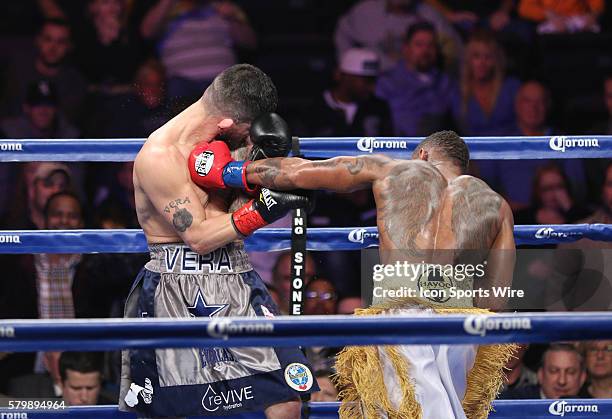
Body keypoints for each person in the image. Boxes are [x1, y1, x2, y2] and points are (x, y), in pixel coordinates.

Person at [191, 129, 517, 418]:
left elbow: (305, 172)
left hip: (403, 312)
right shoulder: (497, 205)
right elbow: (496, 300)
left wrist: (234, 171)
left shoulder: (395, 169)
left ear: (423, 154)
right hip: (460, 324)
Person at [119, 63, 318, 418]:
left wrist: (263, 174)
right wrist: (265, 208)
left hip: (237, 279)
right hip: (178, 289)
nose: (248, 137)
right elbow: (197, 236)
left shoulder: (227, 144)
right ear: (227, 121)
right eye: (245, 130)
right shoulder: (159, 156)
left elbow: (232, 215)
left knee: (286, 402)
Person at [376, 22, 457, 136]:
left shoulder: (445, 83)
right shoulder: (387, 82)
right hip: (397, 149)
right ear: (406, 48)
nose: (425, 51)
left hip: (436, 150)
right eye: (419, 44)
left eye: (431, 45)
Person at [307, 48, 393, 137]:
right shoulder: (312, 109)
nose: (371, 87)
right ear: (340, 75)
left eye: (373, 81)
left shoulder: (378, 109)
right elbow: (298, 147)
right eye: (366, 81)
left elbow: (389, 146)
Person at [451, 31, 520, 137]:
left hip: (509, 150)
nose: (482, 63)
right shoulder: (457, 92)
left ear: (496, 60)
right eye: (476, 56)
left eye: (488, 57)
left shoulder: (511, 88)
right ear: (468, 60)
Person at [501, 343, 586, 399]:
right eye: (553, 371)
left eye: (570, 372)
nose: (562, 381)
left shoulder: (593, 409)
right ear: (540, 375)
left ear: (582, 378)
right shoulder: (512, 403)